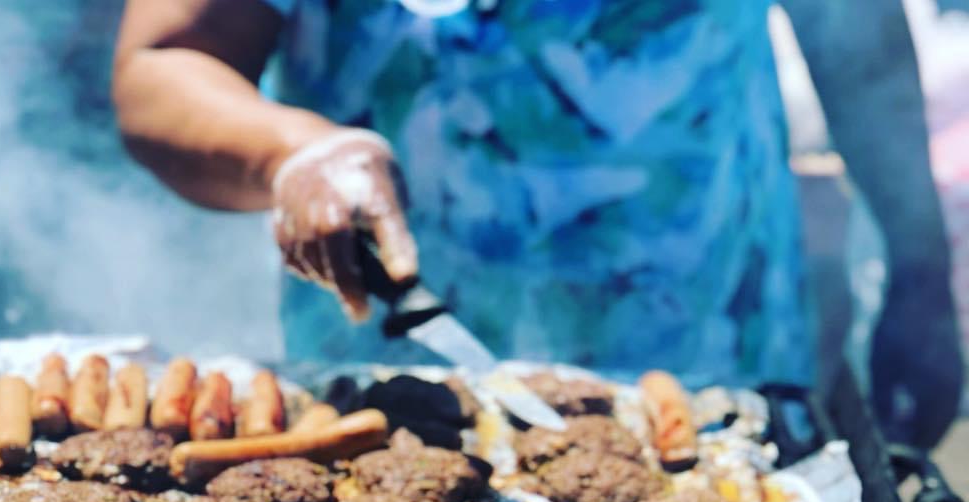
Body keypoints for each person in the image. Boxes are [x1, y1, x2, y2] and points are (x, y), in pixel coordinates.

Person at [114, 0, 963, 447]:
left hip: (712, 378)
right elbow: (166, 60)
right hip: (393, 385)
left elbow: (861, 50)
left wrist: (921, 270)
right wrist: (289, 153)